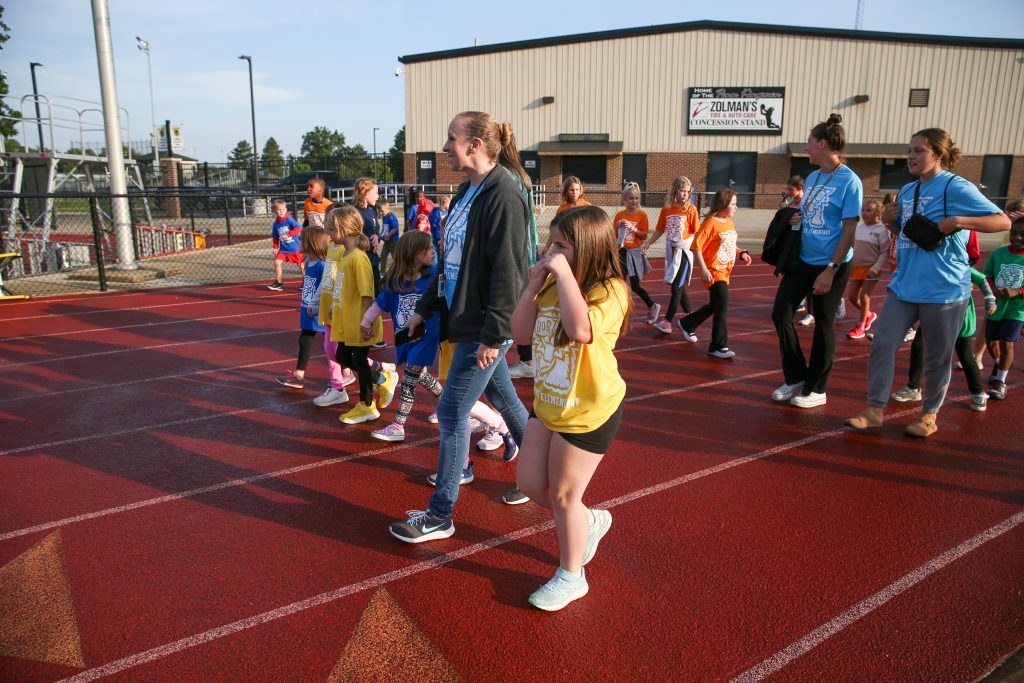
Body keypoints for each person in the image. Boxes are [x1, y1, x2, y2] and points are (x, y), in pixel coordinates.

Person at [389, 111, 531, 543]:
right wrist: (426, 307)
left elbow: (508, 272)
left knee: (451, 413)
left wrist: (494, 334)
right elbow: (452, 264)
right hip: (467, 320)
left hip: (483, 327)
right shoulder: (470, 190)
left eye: (451, 138)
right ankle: (538, 474)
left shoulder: (503, 193)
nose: (445, 146)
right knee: (505, 398)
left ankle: (440, 514)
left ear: (475, 145)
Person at [845, 128, 1009, 437]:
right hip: (905, 285)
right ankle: (874, 409)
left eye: (918, 150)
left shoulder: (956, 187)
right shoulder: (908, 190)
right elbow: (907, 234)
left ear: (938, 154)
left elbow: (1002, 220)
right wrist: (891, 221)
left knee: (937, 355)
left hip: (945, 289)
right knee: (882, 344)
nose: (910, 155)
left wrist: (958, 221)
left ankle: (928, 416)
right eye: (909, 150)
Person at [513, 205, 631, 611]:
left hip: (588, 409)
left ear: (589, 248)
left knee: (564, 494)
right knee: (529, 484)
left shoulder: (611, 290)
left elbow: (581, 330)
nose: (550, 251)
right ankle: (589, 520)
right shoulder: (549, 285)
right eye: (551, 241)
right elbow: (521, 333)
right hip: (548, 403)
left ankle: (571, 575)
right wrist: (532, 287)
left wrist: (563, 276)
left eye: (561, 245)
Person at [770, 114, 863, 408]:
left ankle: (817, 388)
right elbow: (811, 213)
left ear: (822, 143)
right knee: (781, 313)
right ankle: (797, 376)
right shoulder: (813, 177)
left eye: (810, 142)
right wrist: (798, 217)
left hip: (831, 263)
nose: (806, 147)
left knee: (823, 323)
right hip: (803, 260)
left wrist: (831, 270)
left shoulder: (850, 181)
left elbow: (849, 228)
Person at [359, 231, 445, 442]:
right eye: (428, 248)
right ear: (415, 254)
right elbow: (380, 303)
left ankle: (398, 425)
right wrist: (366, 322)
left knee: (408, 378)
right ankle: (446, 405)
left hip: (427, 335)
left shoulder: (433, 276)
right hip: (406, 337)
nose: (433, 251)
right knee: (420, 374)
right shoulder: (396, 280)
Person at [324, 205, 399, 425]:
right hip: (348, 320)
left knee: (357, 360)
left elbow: (367, 294)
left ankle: (367, 404)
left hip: (359, 322)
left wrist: (365, 322)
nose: (327, 233)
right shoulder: (346, 255)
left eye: (331, 229)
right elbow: (345, 287)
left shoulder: (358, 258)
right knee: (342, 357)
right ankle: (381, 380)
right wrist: (335, 306)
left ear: (345, 230)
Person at [889, 267, 997, 411]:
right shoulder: (930, 264)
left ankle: (978, 393)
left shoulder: (960, 265)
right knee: (918, 345)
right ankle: (913, 388)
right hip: (933, 311)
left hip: (959, 314)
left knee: (964, 354)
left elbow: (982, 280)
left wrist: (990, 299)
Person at [677, 189, 752, 358]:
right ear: (723, 204)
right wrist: (703, 270)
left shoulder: (729, 221)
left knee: (715, 305)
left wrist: (741, 253)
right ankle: (718, 345)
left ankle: (687, 323)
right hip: (713, 272)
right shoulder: (710, 223)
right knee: (722, 307)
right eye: (733, 204)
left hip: (725, 271)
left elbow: (729, 244)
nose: (736, 207)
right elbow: (696, 246)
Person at [275, 227, 332, 390]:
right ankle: (299, 375)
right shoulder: (308, 263)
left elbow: (326, 288)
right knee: (305, 340)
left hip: (318, 312)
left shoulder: (322, 265)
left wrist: (318, 307)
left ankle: (349, 370)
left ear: (312, 243)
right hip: (307, 310)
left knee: (333, 343)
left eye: (302, 239)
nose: (298, 242)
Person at [644, 175, 700, 334]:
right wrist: (648, 242)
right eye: (682, 191)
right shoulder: (667, 209)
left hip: (684, 251)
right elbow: (660, 229)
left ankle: (667, 321)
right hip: (672, 251)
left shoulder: (691, 210)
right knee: (678, 286)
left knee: (677, 287)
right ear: (675, 190)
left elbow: (697, 233)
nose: (685, 194)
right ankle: (691, 313)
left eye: (688, 192)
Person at [982, 215, 1024, 401]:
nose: (1018, 238)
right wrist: (993, 289)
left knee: (1007, 342)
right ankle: (998, 365)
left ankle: (1001, 382)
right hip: (996, 307)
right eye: (1014, 233)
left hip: (1018, 309)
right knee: (992, 342)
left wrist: (1018, 291)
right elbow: (987, 275)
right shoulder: (998, 254)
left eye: (1023, 235)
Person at [615, 182, 659, 324]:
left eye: (636, 198)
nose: (634, 201)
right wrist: (617, 227)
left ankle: (652, 306)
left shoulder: (642, 215)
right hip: (622, 252)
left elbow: (644, 236)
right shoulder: (620, 214)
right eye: (631, 198)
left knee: (635, 286)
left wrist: (632, 229)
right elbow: (614, 235)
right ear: (624, 200)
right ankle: (620, 312)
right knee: (619, 283)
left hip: (635, 253)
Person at [845, 199, 889, 339]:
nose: (864, 213)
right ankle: (869, 315)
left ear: (878, 213)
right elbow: (853, 245)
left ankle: (861, 327)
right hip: (857, 267)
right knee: (852, 297)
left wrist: (875, 268)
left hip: (871, 269)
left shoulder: (881, 230)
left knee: (864, 296)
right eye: (863, 210)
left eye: (868, 210)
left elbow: (884, 252)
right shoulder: (860, 227)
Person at [351, 178, 383, 293]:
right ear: (365, 194)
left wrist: (376, 236)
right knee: (364, 292)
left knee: (377, 291)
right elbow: (353, 236)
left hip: (373, 260)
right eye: (375, 193)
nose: (378, 196)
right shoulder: (354, 213)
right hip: (361, 261)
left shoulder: (372, 211)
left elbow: (376, 230)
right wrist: (366, 242)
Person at [267, 199, 304, 291]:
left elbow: (298, 228)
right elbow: (275, 236)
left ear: (286, 210)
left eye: (283, 209)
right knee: (277, 262)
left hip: (294, 248)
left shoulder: (289, 219)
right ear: (274, 211)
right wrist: (275, 247)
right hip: (283, 249)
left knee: (301, 265)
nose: (281, 211)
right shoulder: (276, 224)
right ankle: (278, 282)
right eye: (279, 210)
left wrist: (288, 234)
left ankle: (306, 282)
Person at [378, 199, 400, 273]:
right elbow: (385, 227)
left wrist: (388, 234)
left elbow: (395, 228)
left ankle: (399, 271)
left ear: (388, 209)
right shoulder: (384, 217)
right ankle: (382, 271)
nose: (381, 213)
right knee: (383, 255)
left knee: (395, 257)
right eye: (380, 211)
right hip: (387, 241)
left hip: (393, 241)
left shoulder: (392, 217)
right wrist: (381, 235)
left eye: (382, 211)